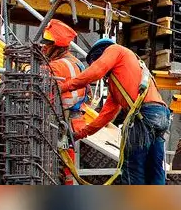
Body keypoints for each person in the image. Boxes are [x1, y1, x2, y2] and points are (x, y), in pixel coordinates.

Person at [57, 39, 171, 185]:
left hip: (143, 116)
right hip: (160, 115)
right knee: (155, 170)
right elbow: (106, 115)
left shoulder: (115, 50)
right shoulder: (121, 80)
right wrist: (81, 133)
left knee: (133, 169)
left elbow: (96, 71)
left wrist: (64, 86)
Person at [40, 20, 89, 184]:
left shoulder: (56, 66)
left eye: (48, 43)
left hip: (61, 125)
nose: (43, 46)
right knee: (66, 170)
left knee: (56, 170)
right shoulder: (76, 62)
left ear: (57, 46)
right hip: (73, 123)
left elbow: (37, 90)